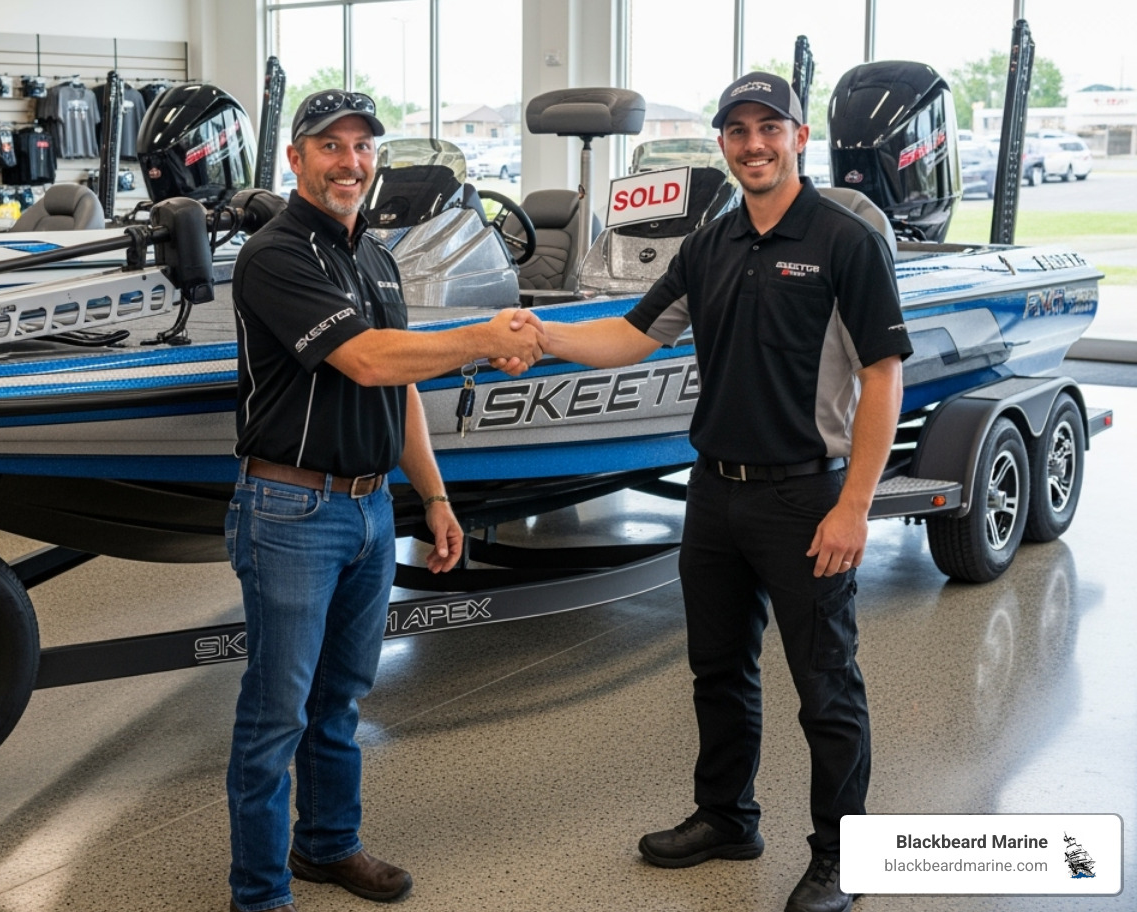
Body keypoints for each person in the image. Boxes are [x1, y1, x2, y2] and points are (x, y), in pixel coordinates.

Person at [510, 72, 911, 912]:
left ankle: (846, 857)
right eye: (738, 130)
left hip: (806, 499)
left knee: (827, 687)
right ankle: (727, 817)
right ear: (723, 143)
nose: (754, 144)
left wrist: (853, 507)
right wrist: (542, 338)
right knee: (717, 672)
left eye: (770, 128)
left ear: (799, 137)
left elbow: (882, 377)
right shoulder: (710, 244)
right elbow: (631, 336)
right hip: (715, 496)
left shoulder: (844, 241)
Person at [225, 89, 545, 912]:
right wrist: (484, 338)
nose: (350, 162)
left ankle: (328, 845)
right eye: (330, 146)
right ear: (296, 158)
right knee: (276, 715)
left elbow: (398, 387)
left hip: (371, 510)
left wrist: (434, 497)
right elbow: (366, 359)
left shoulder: (375, 255)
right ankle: (259, 895)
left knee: (339, 698)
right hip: (290, 512)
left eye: (363, 146)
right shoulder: (275, 255)